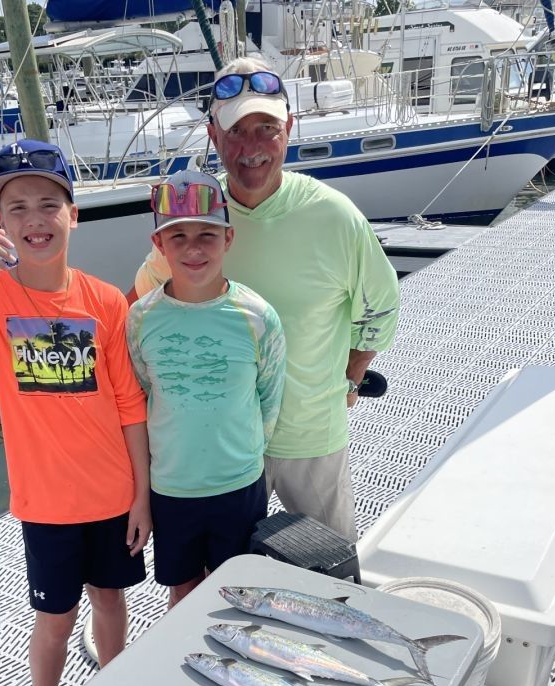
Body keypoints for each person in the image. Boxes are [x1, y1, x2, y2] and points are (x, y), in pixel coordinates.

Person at [0, 139, 151, 686]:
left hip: (114, 496)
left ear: (74, 214)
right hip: (45, 505)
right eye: (16, 207)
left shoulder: (105, 301)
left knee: (111, 599)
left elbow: (128, 404)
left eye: (49, 204)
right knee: (55, 619)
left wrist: (142, 496)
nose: (34, 219)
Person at [130, 58, 400, 543]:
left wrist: (351, 376)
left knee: (331, 575)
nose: (251, 147)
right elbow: (141, 309)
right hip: (221, 450)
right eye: (236, 131)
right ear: (213, 136)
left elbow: (382, 305)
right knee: (225, 583)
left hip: (311, 434)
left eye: (266, 129)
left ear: (288, 130)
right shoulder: (197, 219)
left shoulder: (335, 215)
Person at [127, 169, 286, 606]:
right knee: (183, 589)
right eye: (177, 237)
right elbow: (143, 392)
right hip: (172, 486)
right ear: (159, 245)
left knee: (238, 589)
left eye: (207, 235)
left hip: (239, 482)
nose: (193, 248)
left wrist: (245, 453)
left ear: (229, 239)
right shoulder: (140, 318)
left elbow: (269, 397)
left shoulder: (259, 317)